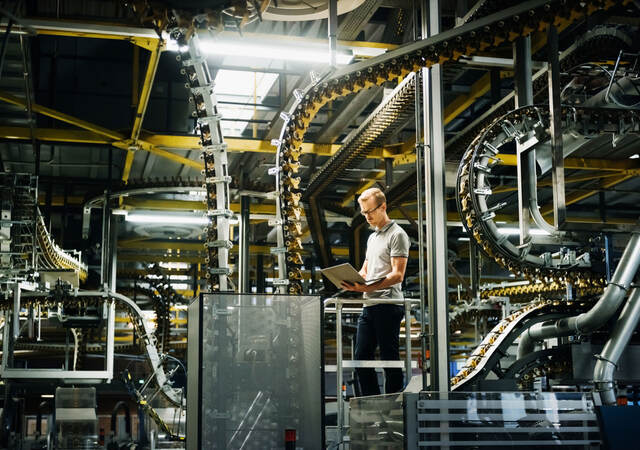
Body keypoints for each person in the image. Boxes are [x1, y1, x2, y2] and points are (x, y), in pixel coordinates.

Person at [341, 187, 410, 396]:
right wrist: (350, 280)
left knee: (389, 358)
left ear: (383, 207)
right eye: (363, 213)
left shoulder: (397, 235)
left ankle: (394, 402)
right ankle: (371, 400)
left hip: (388, 306)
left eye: (370, 211)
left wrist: (366, 287)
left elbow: (398, 275)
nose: (367, 216)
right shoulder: (372, 238)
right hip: (369, 304)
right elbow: (366, 270)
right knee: (361, 355)